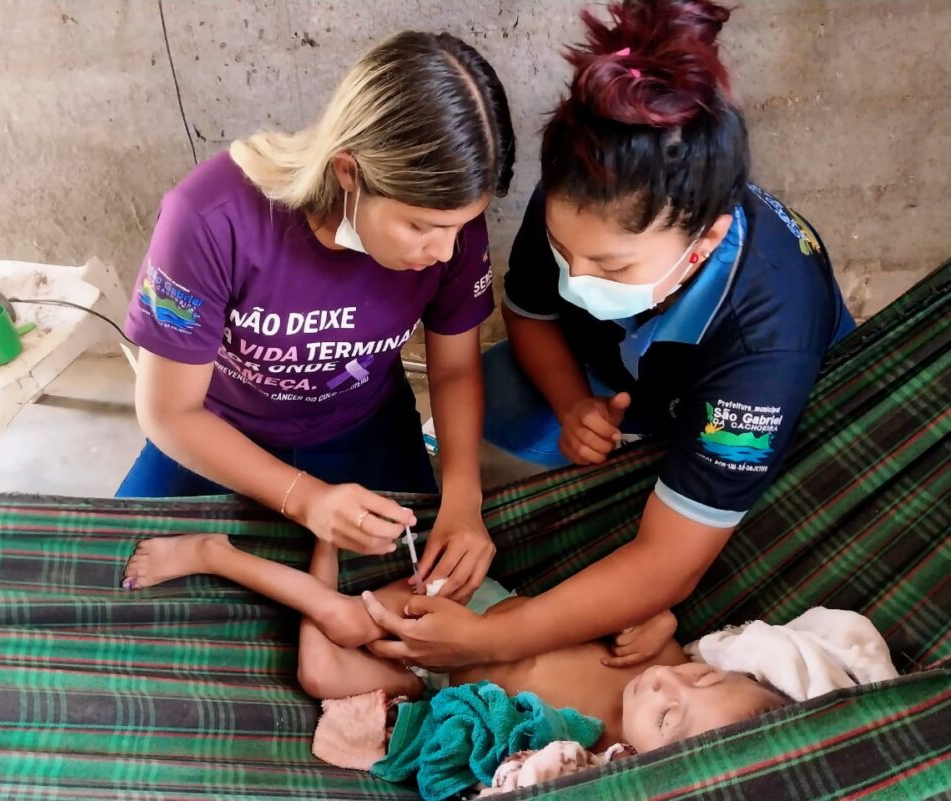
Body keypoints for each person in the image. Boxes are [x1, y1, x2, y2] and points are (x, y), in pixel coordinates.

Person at [361, 0, 855, 668]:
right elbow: (533, 314)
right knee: (473, 442)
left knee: (711, 561)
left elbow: (668, 563)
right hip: (621, 381)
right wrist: (571, 403)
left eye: (610, 267)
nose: (578, 278)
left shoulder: (766, 341)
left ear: (705, 241)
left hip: (745, 419)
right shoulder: (577, 198)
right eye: (566, 250)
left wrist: (494, 637)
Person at [116, 31, 515, 602]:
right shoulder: (210, 219)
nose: (445, 252)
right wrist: (302, 498)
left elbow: (452, 371)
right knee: (110, 572)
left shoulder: (450, 229)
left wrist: (462, 500)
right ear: (348, 172)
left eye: (459, 227)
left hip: (363, 429)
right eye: (421, 228)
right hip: (217, 432)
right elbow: (168, 412)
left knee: (418, 595)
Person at [128, 531, 790, 753]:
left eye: (669, 714)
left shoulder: (601, 761)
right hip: (476, 610)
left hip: (439, 682)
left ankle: (321, 552)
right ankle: (215, 553)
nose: (671, 685)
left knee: (319, 672)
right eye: (703, 678)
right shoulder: (667, 660)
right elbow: (655, 607)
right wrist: (666, 623)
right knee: (350, 625)